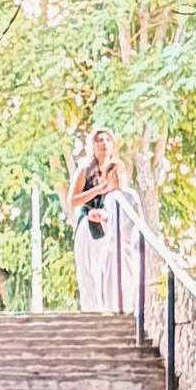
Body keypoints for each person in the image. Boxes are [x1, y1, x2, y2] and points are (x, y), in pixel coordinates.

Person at [67, 125, 119, 308]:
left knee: (109, 269)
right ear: (92, 145)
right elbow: (72, 200)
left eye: (107, 140)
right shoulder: (85, 169)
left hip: (111, 224)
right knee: (88, 270)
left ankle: (112, 308)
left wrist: (107, 214)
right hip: (88, 223)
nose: (103, 144)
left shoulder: (116, 168)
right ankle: (93, 311)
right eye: (99, 140)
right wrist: (97, 190)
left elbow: (124, 195)